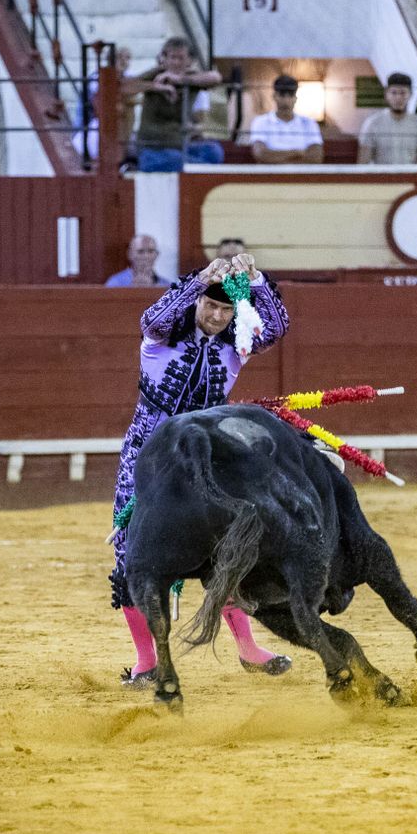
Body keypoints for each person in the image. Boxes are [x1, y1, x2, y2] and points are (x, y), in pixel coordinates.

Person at [109, 253, 294, 686]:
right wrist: (201, 280)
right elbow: (156, 313)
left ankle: (249, 649)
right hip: (146, 456)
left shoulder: (236, 344)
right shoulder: (161, 336)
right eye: (209, 306)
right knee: (131, 552)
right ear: (196, 304)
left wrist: (255, 279)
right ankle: (146, 661)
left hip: (204, 457)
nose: (215, 315)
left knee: (227, 548)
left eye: (224, 309)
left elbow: (278, 327)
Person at [126, 38, 224, 172]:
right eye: (172, 58)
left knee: (214, 151)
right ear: (164, 59)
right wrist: (155, 87)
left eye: (181, 58)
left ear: (189, 61)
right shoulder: (155, 74)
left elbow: (216, 78)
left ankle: (194, 169)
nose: (176, 62)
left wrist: (180, 80)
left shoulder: (191, 79)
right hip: (152, 148)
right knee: (175, 159)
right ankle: (198, 170)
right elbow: (124, 87)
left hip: (180, 146)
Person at [358, 72, 417, 165]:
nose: (398, 98)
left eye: (403, 93)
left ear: (410, 94)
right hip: (381, 177)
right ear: (386, 94)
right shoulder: (372, 123)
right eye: (394, 93)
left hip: (410, 177)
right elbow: (363, 162)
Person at [248, 75, 324, 164]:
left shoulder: (309, 123)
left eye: (291, 95)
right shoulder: (261, 122)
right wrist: (298, 153)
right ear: (274, 96)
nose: (286, 101)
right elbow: (261, 154)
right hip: (270, 176)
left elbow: (316, 157)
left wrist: (277, 158)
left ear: (296, 98)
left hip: (302, 176)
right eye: (282, 95)